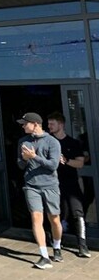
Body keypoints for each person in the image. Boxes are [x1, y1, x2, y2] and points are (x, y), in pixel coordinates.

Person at [17, 112, 63, 269]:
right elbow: (20, 165)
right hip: (31, 185)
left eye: (25, 123)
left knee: (54, 219)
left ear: (35, 124)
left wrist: (34, 157)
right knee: (36, 218)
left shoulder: (52, 142)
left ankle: (57, 246)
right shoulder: (23, 142)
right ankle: (44, 256)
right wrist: (24, 159)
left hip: (50, 185)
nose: (23, 126)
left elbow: (53, 165)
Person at [47, 112, 91, 258]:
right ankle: (57, 246)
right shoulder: (47, 142)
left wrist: (66, 161)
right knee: (56, 214)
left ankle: (82, 245)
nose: (49, 126)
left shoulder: (73, 143)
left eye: (52, 124)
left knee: (77, 213)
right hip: (53, 183)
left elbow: (80, 163)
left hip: (71, 183)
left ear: (61, 124)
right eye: (48, 124)